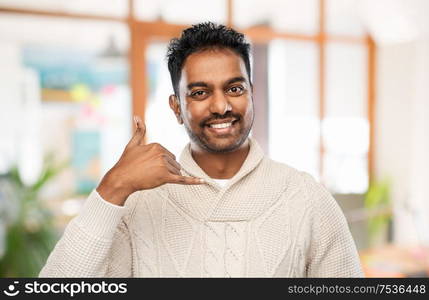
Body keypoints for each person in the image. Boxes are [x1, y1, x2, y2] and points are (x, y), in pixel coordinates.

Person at [39, 22, 363, 278]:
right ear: (176, 107)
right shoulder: (140, 203)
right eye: (199, 92)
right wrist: (113, 187)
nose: (221, 106)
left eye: (234, 88)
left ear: (252, 94)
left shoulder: (306, 198)